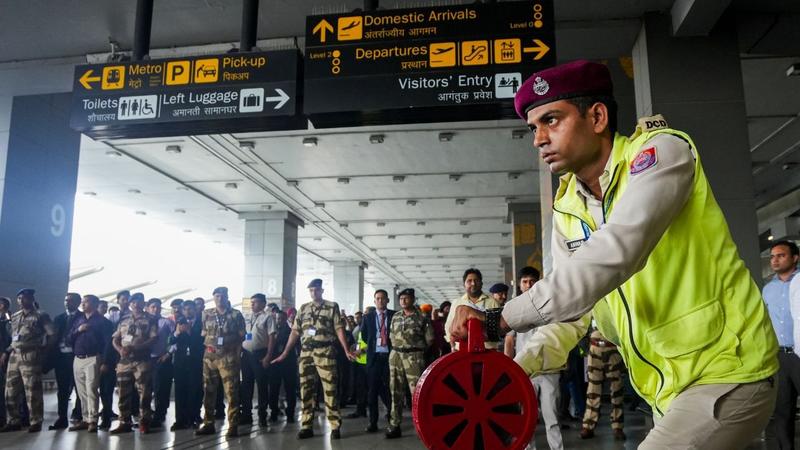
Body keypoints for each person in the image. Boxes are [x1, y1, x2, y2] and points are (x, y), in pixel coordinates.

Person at [450, 60, 779, 450]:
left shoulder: (661, 154)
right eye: (532, 128)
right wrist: (513, 371)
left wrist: (499, 320)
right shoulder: (567, 205)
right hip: (666, 391)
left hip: (728, 370)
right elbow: (572, 312)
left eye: (551, 120)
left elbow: (619, 250)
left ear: (598, 116)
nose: (538, 138)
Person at [509, 266, 588, 450]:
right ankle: (528, 448)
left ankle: (557, 448)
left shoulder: (551, 304)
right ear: (520, 285)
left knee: (551, 415)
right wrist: (510, 368)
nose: (528, 285)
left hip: (549, 370)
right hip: (524, 371)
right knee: (526, 415)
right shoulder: (514, 308)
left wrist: (565, 359)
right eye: (525, 281)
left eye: (532, 281)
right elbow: (509, 339)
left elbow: (561, 333)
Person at [272, 278, 355, 440]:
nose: (313, 293)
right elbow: (295, 332)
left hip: (325, 352)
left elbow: (339, 328)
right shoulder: (303, 308)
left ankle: (335, 425)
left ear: (322, 291)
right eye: (311, 290)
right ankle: (306, 425)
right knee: (306, 390)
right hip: (306, 354)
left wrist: (346, 349)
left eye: (316, 290)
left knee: (330, 389)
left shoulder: (332, 306)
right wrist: (285, 353)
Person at [0, 289, 55, 432]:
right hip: (14, 355)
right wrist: (6, 352)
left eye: (25, 298)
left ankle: (35, 421)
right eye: (19, 299)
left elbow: (52, 334)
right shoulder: (15, 316)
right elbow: (14, 337)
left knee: (32, 390)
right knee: (10, 390)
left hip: (30, 355)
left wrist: (44, 351)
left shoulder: (41, 315)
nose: (22, 301)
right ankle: (13, 421)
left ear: (31, 299)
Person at [195, 287, 246, 437]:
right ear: (213, 297)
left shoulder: (236, 314)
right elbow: (203, 333)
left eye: (223, 296)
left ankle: (233, 425)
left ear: (227, 297)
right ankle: (209, 423)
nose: (220, 298)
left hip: (228, 357)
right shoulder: (207, 314)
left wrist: (237, 355)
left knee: (231, 391)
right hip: (210, 357)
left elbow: (242, 336)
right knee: (208, 390)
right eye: (217, 296)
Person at [764, 240, 799, 449]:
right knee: (782, 410)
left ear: (795, 258)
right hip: (779, 357)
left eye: (781, 255)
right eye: (772, 256)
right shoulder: (768, 289)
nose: (775, 260)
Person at [385, 288, 433, 439]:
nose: (403, 301)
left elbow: (430, 339)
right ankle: (394, 424)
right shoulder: (396, 316)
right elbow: (391, 334)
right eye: (401, 299)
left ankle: (421, 425)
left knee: (416, 393)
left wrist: (419, 351)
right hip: (396, 355)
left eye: (406, 298)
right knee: (395, 390)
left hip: (414, 356)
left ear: (413, 299)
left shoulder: (422, 317)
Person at [110, 293, 158, 434]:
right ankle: (124, 422)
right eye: (133, 302)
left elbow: (153, 339)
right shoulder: (124, 319)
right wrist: (120, 349)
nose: (136, 305)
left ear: (144, 303)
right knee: (123, 392)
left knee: (144, 392)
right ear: (130, 304)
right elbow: (115, 339)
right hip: (124, 361)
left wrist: (135, 347)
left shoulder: (150, 319)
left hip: (142, 360)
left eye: (139, 302)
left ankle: (144, 421)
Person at [66, 294, 107, 433]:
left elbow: (107, 344)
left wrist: (105, 362)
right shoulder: (78, 320)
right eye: (82, 302)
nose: (82, 305)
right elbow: (68, 338)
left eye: (86, 302)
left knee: (92, 390)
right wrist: (79, 330)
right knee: (81, 392)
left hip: (93, 358)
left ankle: (93, 420)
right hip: (78, 359)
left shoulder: (102, 321)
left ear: (95, 304)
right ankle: (85, 419)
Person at [580, 328, 625, 440]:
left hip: (613, 346)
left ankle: (618, 426)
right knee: (592, 391)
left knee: (617, 389)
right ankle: (588, 425)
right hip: (595, 347)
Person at [360, 289, 395, 433]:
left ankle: (392, 418)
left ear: (387, 300)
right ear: (374, 301)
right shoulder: (368, 317)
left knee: (390, 388)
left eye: (383, 298)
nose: (380, 301)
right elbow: (364, 335)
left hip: (389, 357)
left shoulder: (394, 315)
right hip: (374, 358)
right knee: (372, 391)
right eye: (378, 298)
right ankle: (372, 422)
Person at [241, 293, 276, 427]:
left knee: (261, 385)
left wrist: (268, 356)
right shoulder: (247, 316)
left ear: (263, 304)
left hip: (260, 354)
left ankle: (262, 415)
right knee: (246, 385)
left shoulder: (268, 317)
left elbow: (272, 337)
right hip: (246, 354)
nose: (252, 304)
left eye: (255, 302)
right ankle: (246, 415)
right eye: (251, 302)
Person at [49, 292, 83, 429]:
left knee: (79, 388)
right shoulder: (59, 318)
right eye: (66, 300)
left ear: (78, 302)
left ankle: (78, 415)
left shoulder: (83, 317)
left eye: (71, 300)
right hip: (61, 358)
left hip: (76, 356)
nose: (67, 303)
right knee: (62, 389)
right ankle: (62, 417)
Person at [170, 300, 204, 430]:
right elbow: (170, 340)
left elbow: (203, 341)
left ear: (195, 309)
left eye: (190, 309)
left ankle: (194, 417)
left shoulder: (201, 322)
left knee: (195, 390)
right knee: (180, 391)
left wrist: (190, 332)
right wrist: (177, 333)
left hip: (196, 361)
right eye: (185, 309)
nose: (187, 312)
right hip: (180, 361)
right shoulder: (179, 322)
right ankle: (180, 420)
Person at [445, 269, 500, 350]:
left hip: (488, 350)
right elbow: (448, 326)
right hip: (462, 350)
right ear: (464, 284)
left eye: (476, 280)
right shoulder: (457, 303)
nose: (473, 283)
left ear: (481, 283)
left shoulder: (493, 302)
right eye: (469, 281)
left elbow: (499, 328)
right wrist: (452, 346)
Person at [147, 298, 175, 429]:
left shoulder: (166, 322)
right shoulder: (143, 322)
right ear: (147, 308)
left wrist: (168, 354)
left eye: (158, 307)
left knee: (160, 390)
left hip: (160, 359)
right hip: (144, 359)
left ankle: (159, 415)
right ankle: (145, 415)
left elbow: (176, 339)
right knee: (145, 388)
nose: (155, 309)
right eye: (153, 307)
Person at [268, 310, 298, 424]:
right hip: (275, 364)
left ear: (285, 319)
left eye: (280, 318)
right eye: (276, 319)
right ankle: (274, 413)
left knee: (290, 389)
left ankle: (290, 414)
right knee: (273, 390)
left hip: (288, 364)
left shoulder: (291, 332)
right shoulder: (272, 331)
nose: (278, 321)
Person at [0, 297, 11, 428]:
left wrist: (4, 353)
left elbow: (9, 338)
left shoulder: (9, 319)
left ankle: (2, 418)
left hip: (5, 356)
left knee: (3, 388)